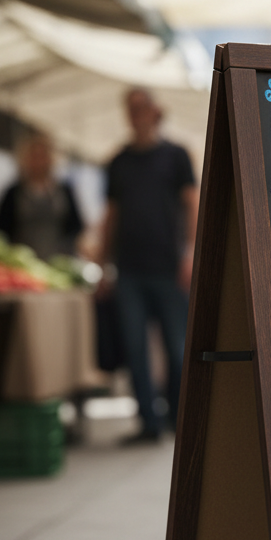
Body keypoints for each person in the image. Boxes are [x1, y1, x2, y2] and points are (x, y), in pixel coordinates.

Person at [95, 88, 197, 444]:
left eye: (142, 107)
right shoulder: (118, 162)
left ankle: (179, 419)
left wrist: (190, 253)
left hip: (169, 267)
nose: (137, 113)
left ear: (156, 111)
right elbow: (111, 215)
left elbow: (191, 204)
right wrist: (103, 264)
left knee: (177, 347)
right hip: (129, 269)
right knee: (135, 349)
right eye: (131, 108)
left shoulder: (176, 156)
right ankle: (148, 424)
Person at [0, 133, 83, 258]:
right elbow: (2, 230)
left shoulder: (65, 190)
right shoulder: (13, 192)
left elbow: (77, 226)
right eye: (34, 156)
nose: (39, 162)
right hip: (22, 260)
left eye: (43, 156)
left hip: (59, 259)